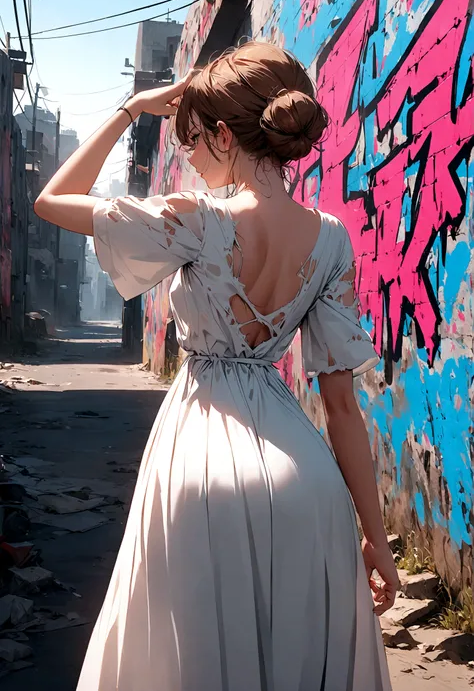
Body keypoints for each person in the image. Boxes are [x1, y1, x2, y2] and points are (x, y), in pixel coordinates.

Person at [35, 40, 399, 691]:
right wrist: (375, 540)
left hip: (200, 458)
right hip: (307, 478)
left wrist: (130, 111)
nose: (188, 155)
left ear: (226, 136)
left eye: (193, 139)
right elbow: (343, 408)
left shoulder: (193, 219)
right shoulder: (333, 236)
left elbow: (53, 200)